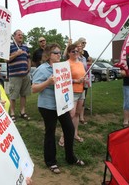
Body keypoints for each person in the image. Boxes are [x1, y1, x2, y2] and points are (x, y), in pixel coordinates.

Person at [32, 43, 85, 174]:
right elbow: (33, 89)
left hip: (61, 105)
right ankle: (51, 162)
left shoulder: (62, 67)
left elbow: (65, 82)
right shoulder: (42, 69)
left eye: (60, 52)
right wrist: (48, 82)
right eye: (56, 52)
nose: (59, 55)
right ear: (49, 55)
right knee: (50, 132)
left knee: (69, 128)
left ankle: (70, 158)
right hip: (47, 106)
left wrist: (76, 81)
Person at [59, 44, 86, 146]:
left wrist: (84, 80)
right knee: (71, 115)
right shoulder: (66, 63)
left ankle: (74, 134)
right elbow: (63, 79)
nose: (75, 53)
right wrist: (75, 80)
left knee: (77, 114)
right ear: (68, 53)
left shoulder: (80, 63)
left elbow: (82, 75)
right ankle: (63, 136)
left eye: (77, 51)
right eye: (73, 51)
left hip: (81, 91)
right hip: (71, 92)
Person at [8, 29, 31, 121]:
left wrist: (29, 67)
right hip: (14, 75)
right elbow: (6, 60)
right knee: (13, 96)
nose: (21, 36)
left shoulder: (25, 47)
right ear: (14, 36)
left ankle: (22, 112)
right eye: (19, 35)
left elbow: (28, 58)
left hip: (25, 74)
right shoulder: (10, 46)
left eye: (22, 35)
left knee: (23, 95)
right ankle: (12, 113)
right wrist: (16, 54)